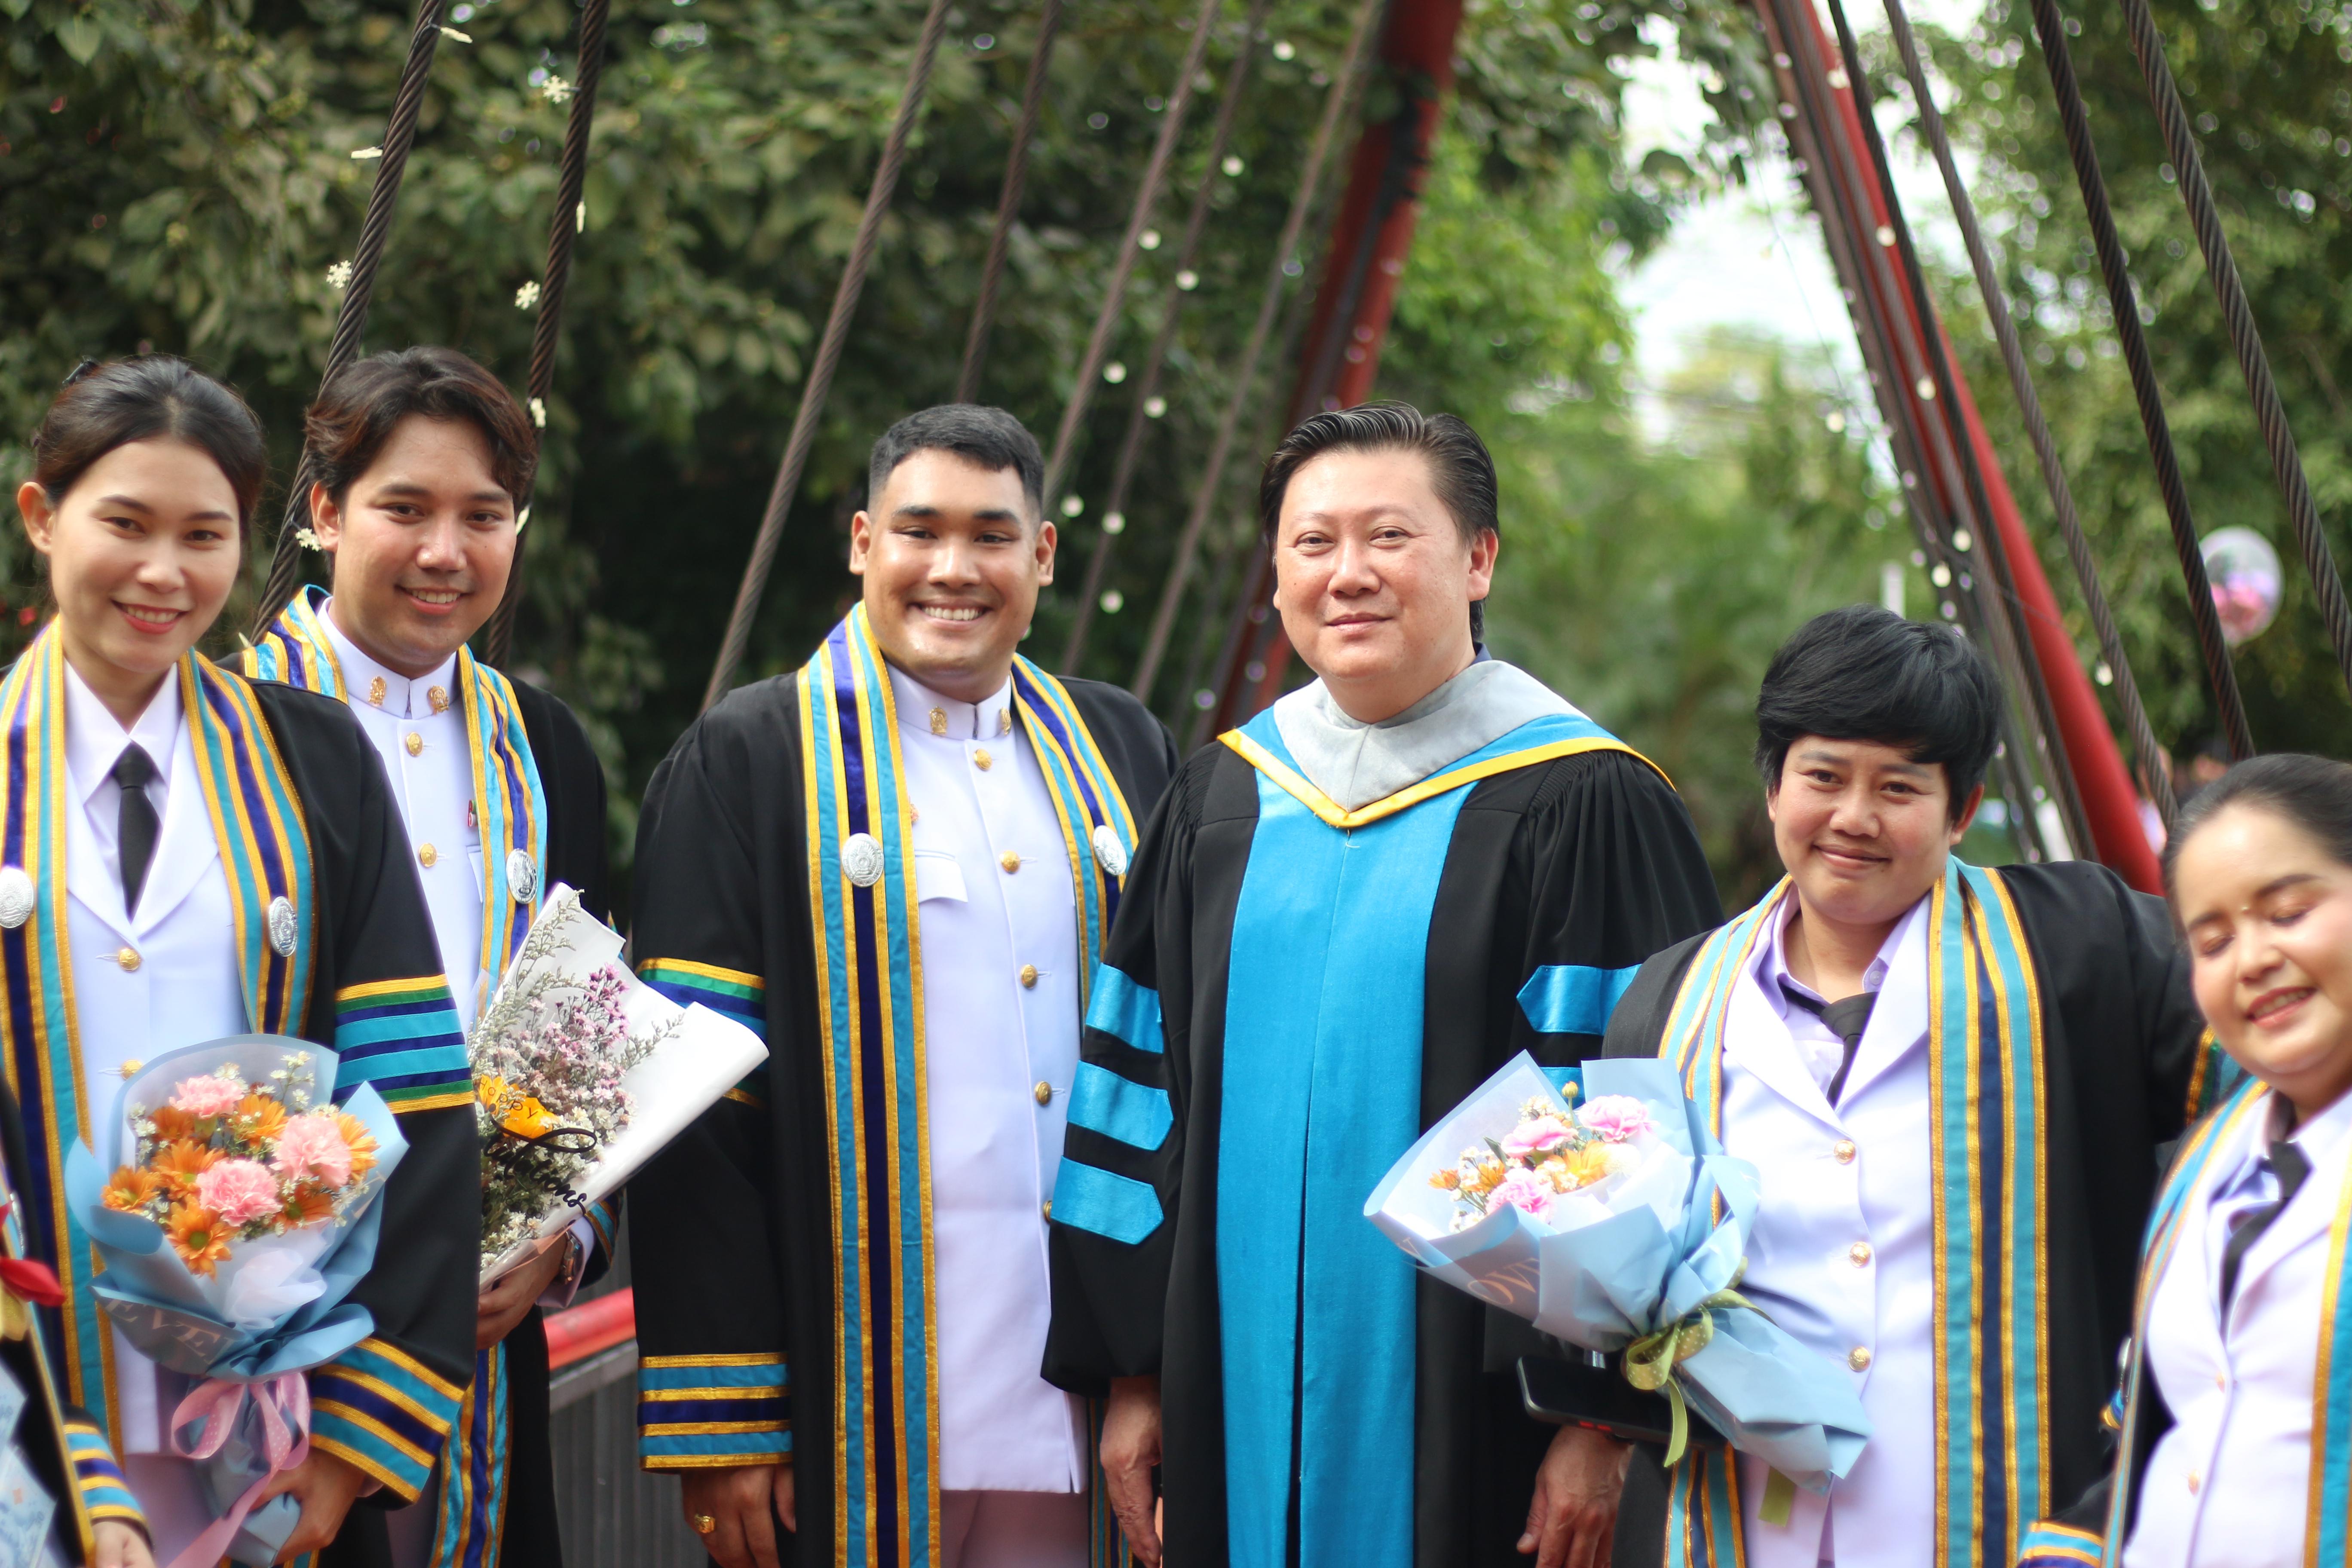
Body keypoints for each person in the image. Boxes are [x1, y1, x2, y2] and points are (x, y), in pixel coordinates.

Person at [1044, 401, 1721, 1568]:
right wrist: (1135, 1373)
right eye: (1314, 544)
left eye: (1389, 538)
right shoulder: (1219, 801)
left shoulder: (1583, 800)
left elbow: (1640, 1122)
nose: (1347, 574)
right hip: (1227, 1393)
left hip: (1491, 1435)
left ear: (1478, 558)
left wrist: (1599, 1421)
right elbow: (1133, 1100)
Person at [626, 404, 1179, 1568]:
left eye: (991, 535)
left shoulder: (1124, 747)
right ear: (862, 543)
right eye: (921, 532)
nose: (953, 570)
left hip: (1076, 1389)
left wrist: (1163, 1361)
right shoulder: (752, 756)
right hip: (852, 1393)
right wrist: (724, 1414)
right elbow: (692, 1106)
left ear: (1042, 557)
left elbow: (1174, 1064)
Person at [1592, 604, 2226, 1568]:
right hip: (1739, 1524)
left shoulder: (2082, 950)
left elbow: (2284, 1078)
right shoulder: (1665, 1005)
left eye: (1899, 786)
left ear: (1962, 809)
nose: (1854, 817)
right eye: (1824, 776)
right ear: (1773, 786)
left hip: (2020, 1519)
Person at [8, 357, 478, 1561]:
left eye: (204, 535)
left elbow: (412, 1091)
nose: (164, 573)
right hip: (34, 1407)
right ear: (40, 517)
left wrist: (357, 1430)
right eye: (125, 524)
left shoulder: (312, 764)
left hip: (276, 1415)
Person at [242, 346, 612, 1568]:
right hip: (259, 1324)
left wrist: (561, 1243)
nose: (445, 553)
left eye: (484, 516)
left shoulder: (547, 749)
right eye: (405, 509)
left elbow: (590, 1031)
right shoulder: (226, 728)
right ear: (325, 511)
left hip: (489, 1334)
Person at [2015, 754, 2352, 1568]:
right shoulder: (2213, 1155)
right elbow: (2162, 1426)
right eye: (2212, 940)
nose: (2252, 959)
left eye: (2289, 912)